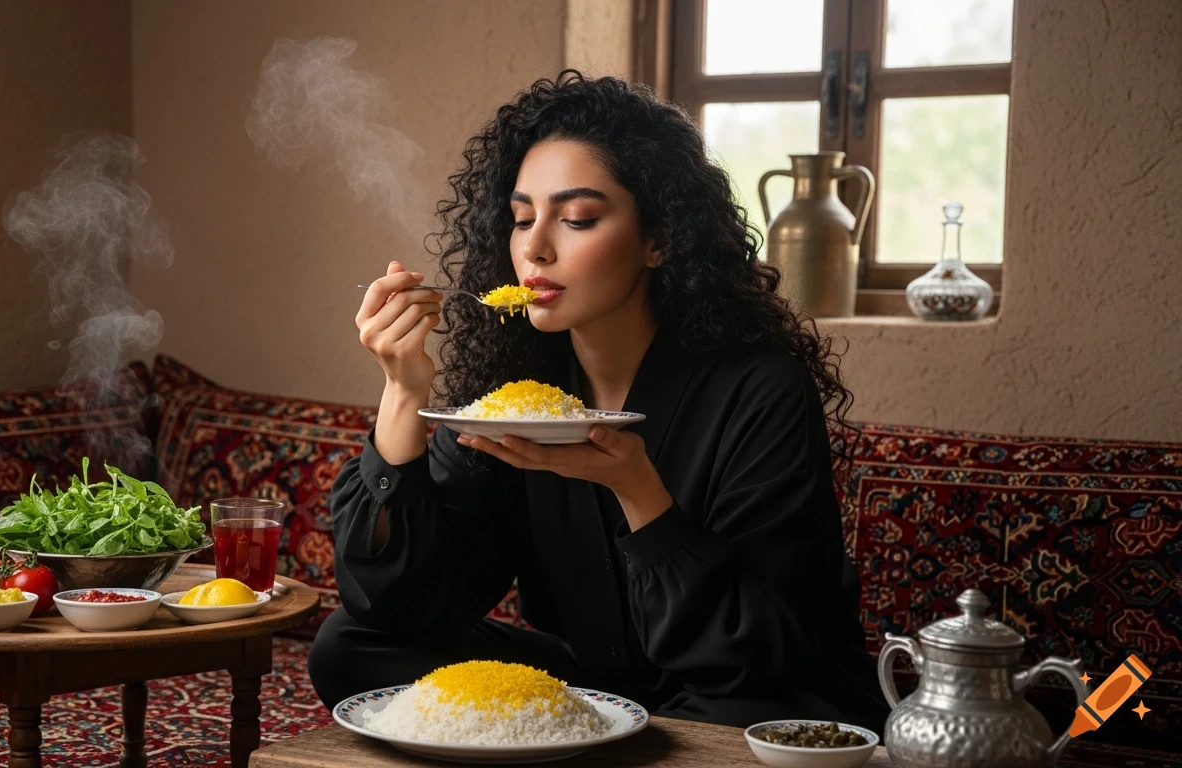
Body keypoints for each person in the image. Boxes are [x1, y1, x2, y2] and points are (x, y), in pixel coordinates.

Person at [309, 70, 889, 734]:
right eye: (522, 218)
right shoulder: (514, 394)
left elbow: (761, 653)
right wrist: (404, 393)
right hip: (596, 685)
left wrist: (637, 490)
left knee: (745, 719)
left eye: (578, 217)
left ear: (659, 239)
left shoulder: (759, 388)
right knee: (350, 648)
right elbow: (393, 606)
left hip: (747, 688)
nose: (535, 247)